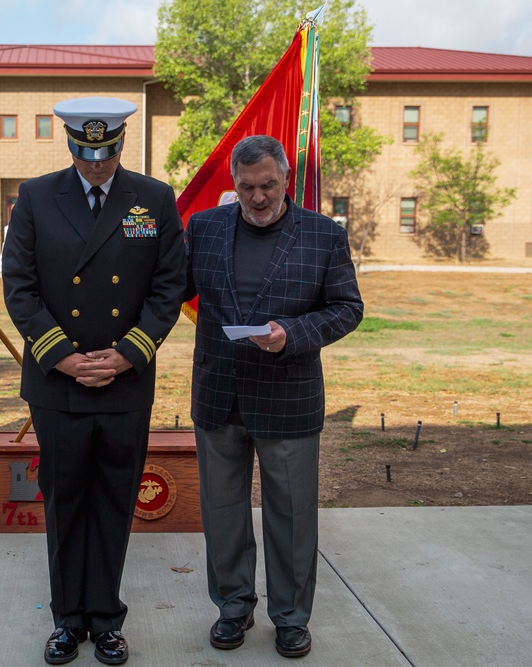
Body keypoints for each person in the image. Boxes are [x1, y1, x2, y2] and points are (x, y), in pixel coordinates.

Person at [1, 96, 186, 665]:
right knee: (64, 502)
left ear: (121, 146)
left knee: (113, 500)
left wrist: (130, 353)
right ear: (71, 146)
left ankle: (105, 619)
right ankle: (66, 621)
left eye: (106, 155)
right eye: (87, 155)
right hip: (59, 383)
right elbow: (19, 285)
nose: (97, 166)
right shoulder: (35, 196)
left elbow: (169, 285)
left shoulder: (153, 199)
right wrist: (60, 356)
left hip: (125, 382)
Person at [184, 135, 363, 659]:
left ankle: (290, 617)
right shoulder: (206, 227)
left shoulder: (323, 236)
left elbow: (347, 309)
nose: (258, 198)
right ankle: (232, 608)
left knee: (290, 515)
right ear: (233, 184)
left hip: (288, 398)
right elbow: (171, 287)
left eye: (268, 186)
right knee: (222, 512)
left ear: (286, 178)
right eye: (247, 188)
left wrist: (292, 333)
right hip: (218, 393)